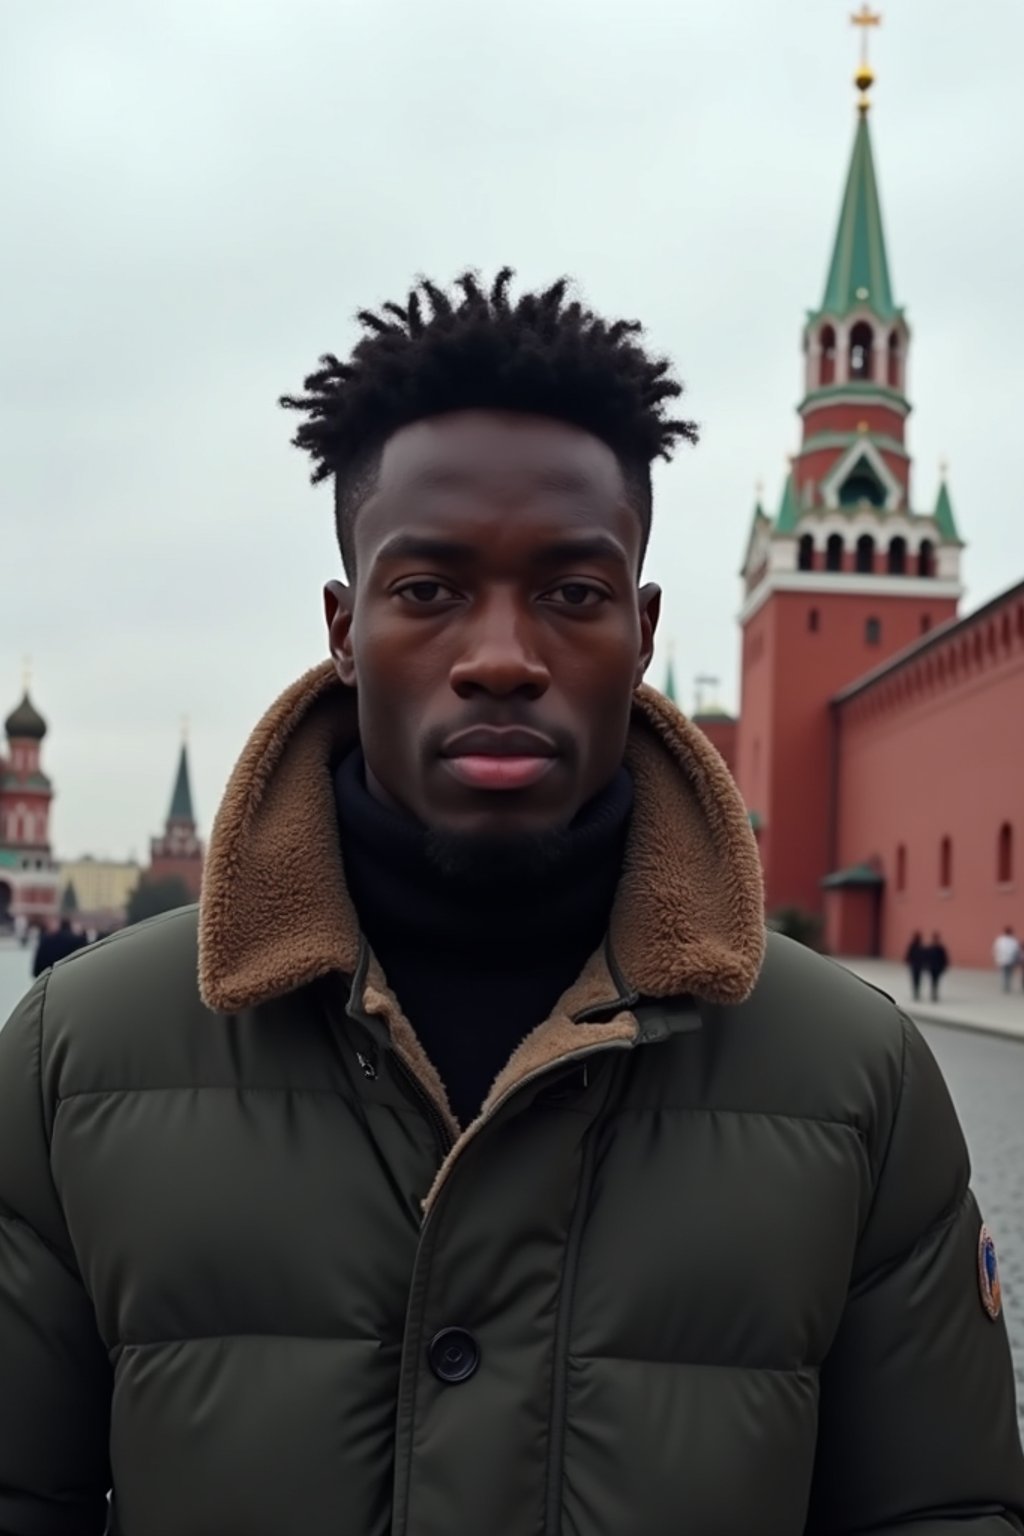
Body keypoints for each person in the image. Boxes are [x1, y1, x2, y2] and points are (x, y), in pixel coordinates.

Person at [0, 270, 1021, 1535]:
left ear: (643, 630)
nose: (499, 654)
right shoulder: (75, 1061)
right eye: (427, 590)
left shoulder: (853, 1076)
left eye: (571, 593)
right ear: (342, 624)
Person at [993, 926, 1021, 994]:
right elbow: (1016, 950)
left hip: (1003, 959)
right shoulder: (1013, 940)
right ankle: (1007, 986)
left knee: (1005, 974)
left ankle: (1006, 986)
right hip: (1009, 960)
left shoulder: (1000, 940)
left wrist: (997, 958)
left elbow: (996, 949)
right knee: (1008, 974)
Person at [926, 931, 950, 1002]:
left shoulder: (940, 948)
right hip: (932, 968)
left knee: (935, 981)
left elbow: (944, 958)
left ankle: (934, 994)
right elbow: (927, 958)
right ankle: (933, 994)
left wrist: (944, 966)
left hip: (937, 968)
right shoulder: (931, 948)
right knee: (933, 981)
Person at [904, 929, 926, 1000]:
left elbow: (923, 955)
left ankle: (916, 992)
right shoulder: (915, 945)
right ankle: (916, 993)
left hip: (917, 965)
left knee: (917, 979)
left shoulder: (919, 945)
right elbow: (909, 954)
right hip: (915, 965)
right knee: (916, 979)